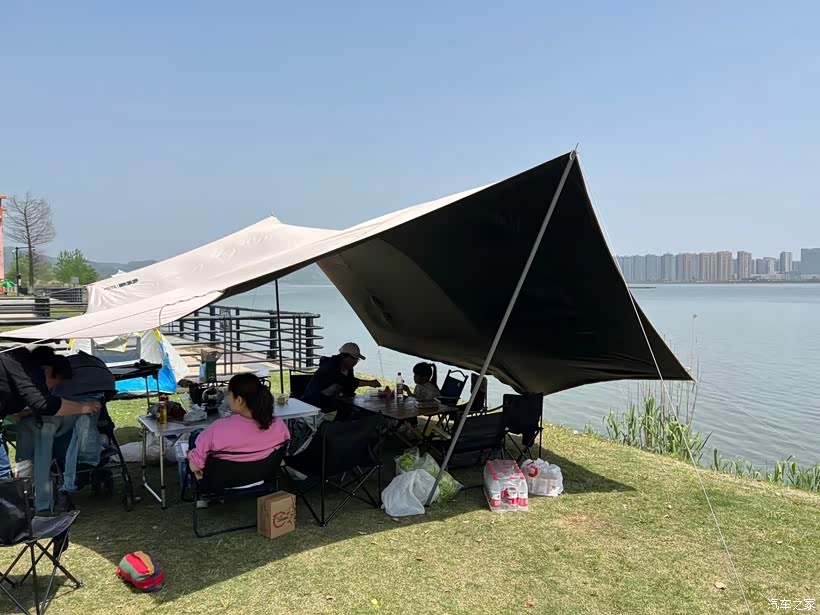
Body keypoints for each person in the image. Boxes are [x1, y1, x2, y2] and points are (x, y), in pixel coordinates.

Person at [0, 346, 100, 480]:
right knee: (2, 472)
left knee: (3, 471)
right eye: (55, 384)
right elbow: (44, 404)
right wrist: (83, 407)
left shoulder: (15, 363)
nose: (53, 389)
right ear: (47, 370)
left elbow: (12, 403)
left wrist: (23, 413)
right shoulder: (20, 364)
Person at [187, 373, 290, 483]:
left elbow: (195, 467)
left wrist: (189, 455)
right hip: (263, 479)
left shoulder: (217, 429)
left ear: (239, 400)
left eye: (229, 394)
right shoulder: (278, 425)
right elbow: (282, 455)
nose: (228, 398)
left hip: (222, 485)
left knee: (194, 437)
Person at [301, 343, 380, 414]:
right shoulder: (330, 367)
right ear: (344, 356)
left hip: (331, 403)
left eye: (357, 360)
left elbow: (349, 385)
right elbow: (346, 383)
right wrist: (369, 383)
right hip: (314, 405)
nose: (355, 362)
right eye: (354, 359)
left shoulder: (348, 369)